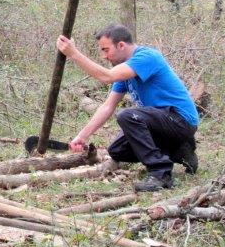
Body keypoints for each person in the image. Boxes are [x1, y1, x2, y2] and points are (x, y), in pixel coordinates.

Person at [56, 24, 199, 192]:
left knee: (127, 116)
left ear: (121, 45)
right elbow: (107, 107)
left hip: (180, 120)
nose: (104, 56)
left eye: (106, 50)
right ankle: (179, 151)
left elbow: (106, 76)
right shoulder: (126, 70)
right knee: (117, 151)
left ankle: (161, 174)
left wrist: (73, 54)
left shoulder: (147, 57)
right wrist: (81, 137)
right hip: (162, 123)